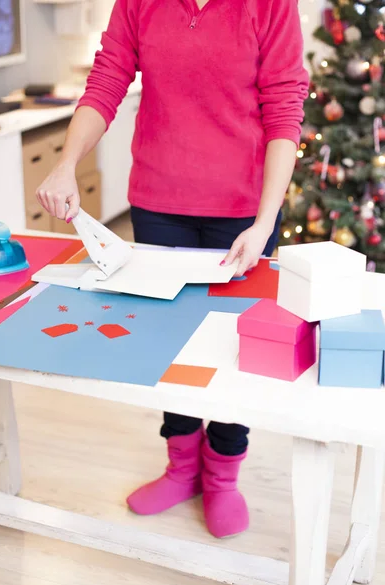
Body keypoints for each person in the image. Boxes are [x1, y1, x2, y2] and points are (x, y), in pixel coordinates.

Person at [36, 0, 309, 538]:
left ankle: (224, 474)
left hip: (244, 212)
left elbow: (284, 108)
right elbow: (107, 80)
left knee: (237, 346)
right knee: (169, 342)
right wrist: (67, 163)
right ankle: (182, 467)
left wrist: (265, 219)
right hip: (160, 202)